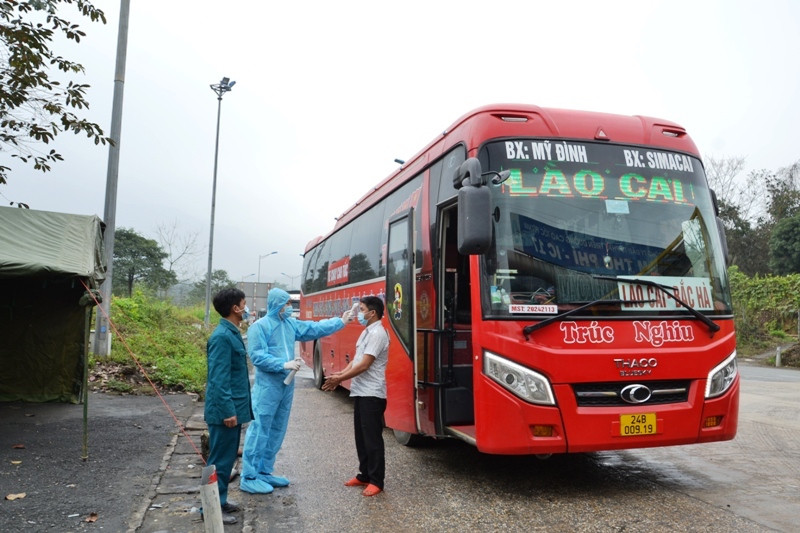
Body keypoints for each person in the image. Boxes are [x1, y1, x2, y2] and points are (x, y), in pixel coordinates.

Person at [240, 287, 352, 494]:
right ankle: (249, 475)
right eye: (286, 304)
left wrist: (340, 321)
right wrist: (282, 365)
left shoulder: (289, 324)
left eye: (289, 304)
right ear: (276, 305)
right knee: (260, 428)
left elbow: (313, 329)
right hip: (268, 387)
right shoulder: (259, 327)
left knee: (277, 429)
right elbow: (256, 356)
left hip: (286, 386)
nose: (289, 308)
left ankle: (265, 471)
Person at [322, 295, 389, 497]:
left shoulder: (378, 334)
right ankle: (364, 475)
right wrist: (340, 376)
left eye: (361, 309)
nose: (359, 313)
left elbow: (365, 364)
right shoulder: (366, 332)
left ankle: (377, 480)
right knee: (361, 437)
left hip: (372, 393)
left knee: (372, 439)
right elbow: (356, 360)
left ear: (372, 313)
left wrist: (339, 379)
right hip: (360, 391)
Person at [204, 288, 253, 525]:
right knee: (219, 461)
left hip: (232, 410)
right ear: (235, 308)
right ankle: (210, 510)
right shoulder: (222, 337)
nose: (246, 308)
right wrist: (228, 411)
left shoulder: (230, 333)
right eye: (244, 304)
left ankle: (220, 500)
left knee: (225, 461)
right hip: (225, 412)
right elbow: (218, 378)